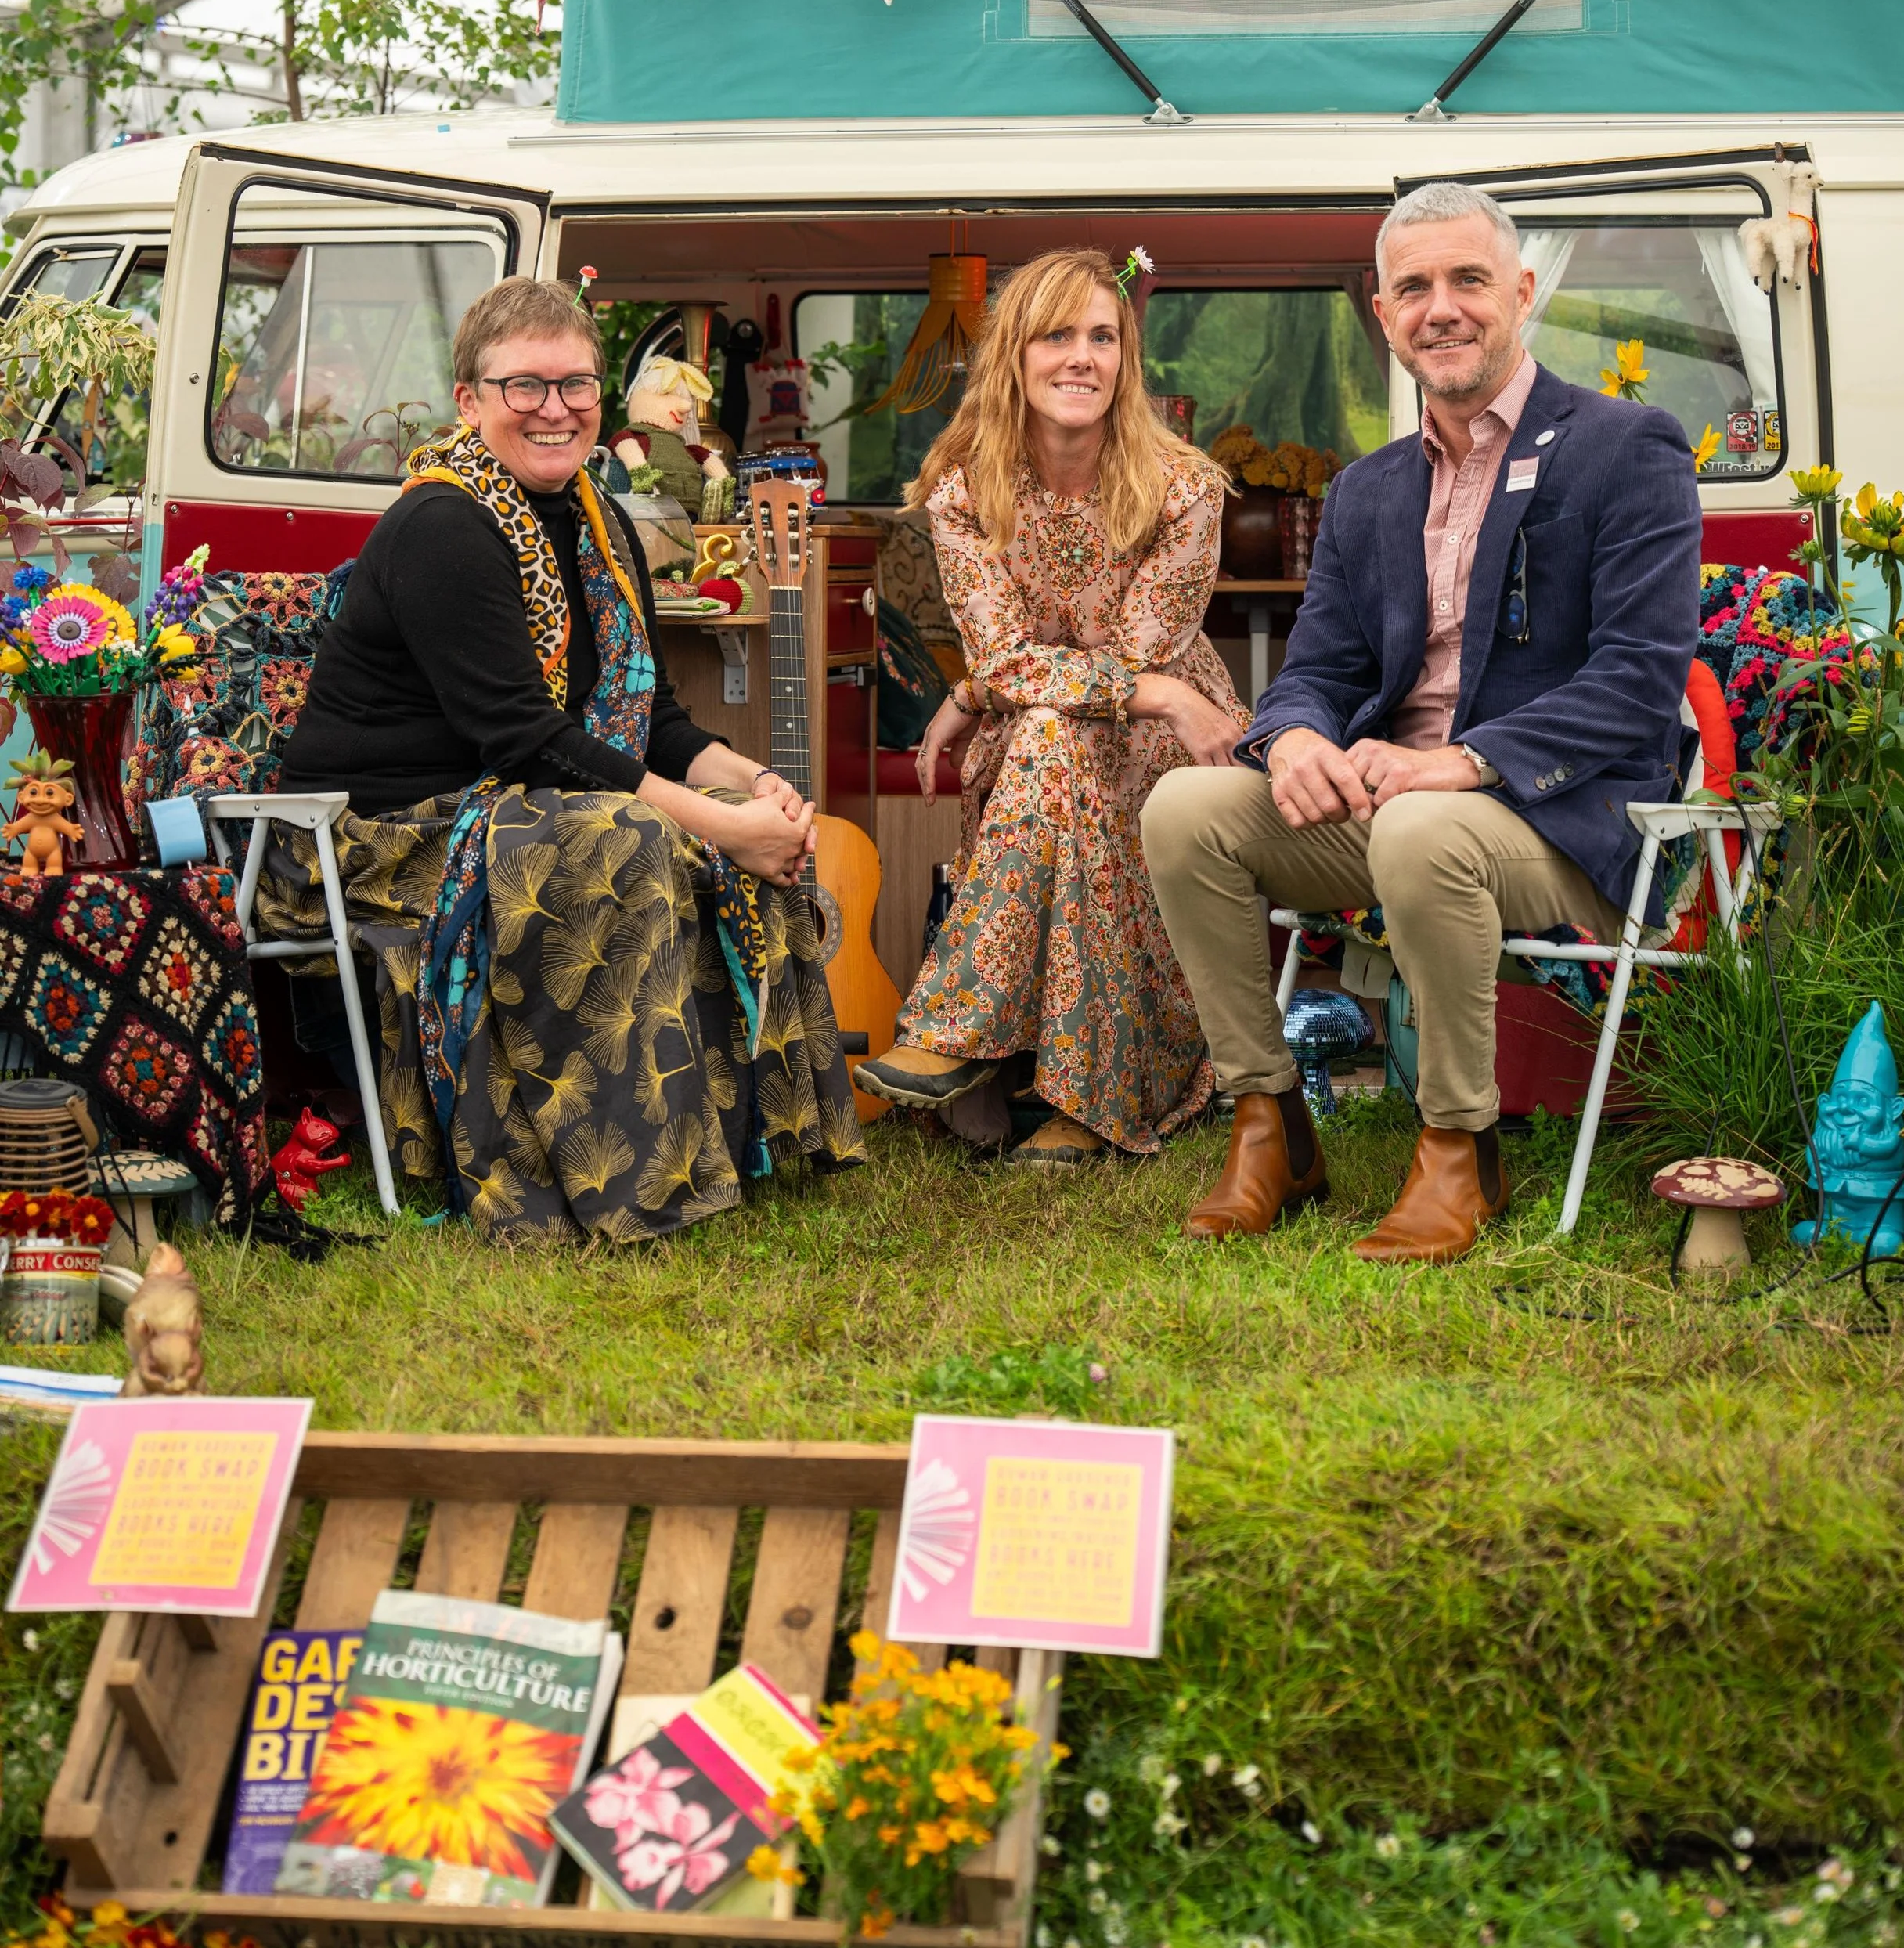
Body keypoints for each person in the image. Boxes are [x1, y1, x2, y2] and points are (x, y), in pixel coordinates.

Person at [1141, 183, 1701, 1264]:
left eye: (1468, 280)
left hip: (1563, 815)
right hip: (1403, 807)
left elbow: (1640, 677)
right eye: (1414, 287)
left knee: (1419, 824)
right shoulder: (1368, 489)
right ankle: (1270, 1123)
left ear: (1522, 293)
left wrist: (1457, 760)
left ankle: (1459, 1142)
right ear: (1382, 310)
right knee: (1186, 808)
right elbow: (1317, 668)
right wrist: (1294, 737)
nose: (1440, 307)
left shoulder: (1626, 447)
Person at [276, 276, 864, 1239]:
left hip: (513, 798)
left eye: (577, 385)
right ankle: (619, 1185)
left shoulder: (600, 521)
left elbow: (654, 718)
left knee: (692, 830)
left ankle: (737, 1150)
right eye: (526, 387)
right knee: (623, 840)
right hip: (379, 836)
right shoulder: (443, 526)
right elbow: (524, 738)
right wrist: (719, 825)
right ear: (469, 400)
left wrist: (757, 789)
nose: (556, 410)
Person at [854, 247, 1244, 1164]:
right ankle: (1082, 1102)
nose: (1081, 357)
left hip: (1169, 739)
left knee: (1048, 739)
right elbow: (1006, 654)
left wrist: (985, 691)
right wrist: (988, 682)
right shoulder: (964, 489)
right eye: (1056, 335)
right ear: (1014, 357)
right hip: (1116, 714)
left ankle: (954, 1034)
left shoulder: (1184, 484)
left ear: (1127, 358)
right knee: (1051, 745)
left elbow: (1139, 650)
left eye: (1102, 336)